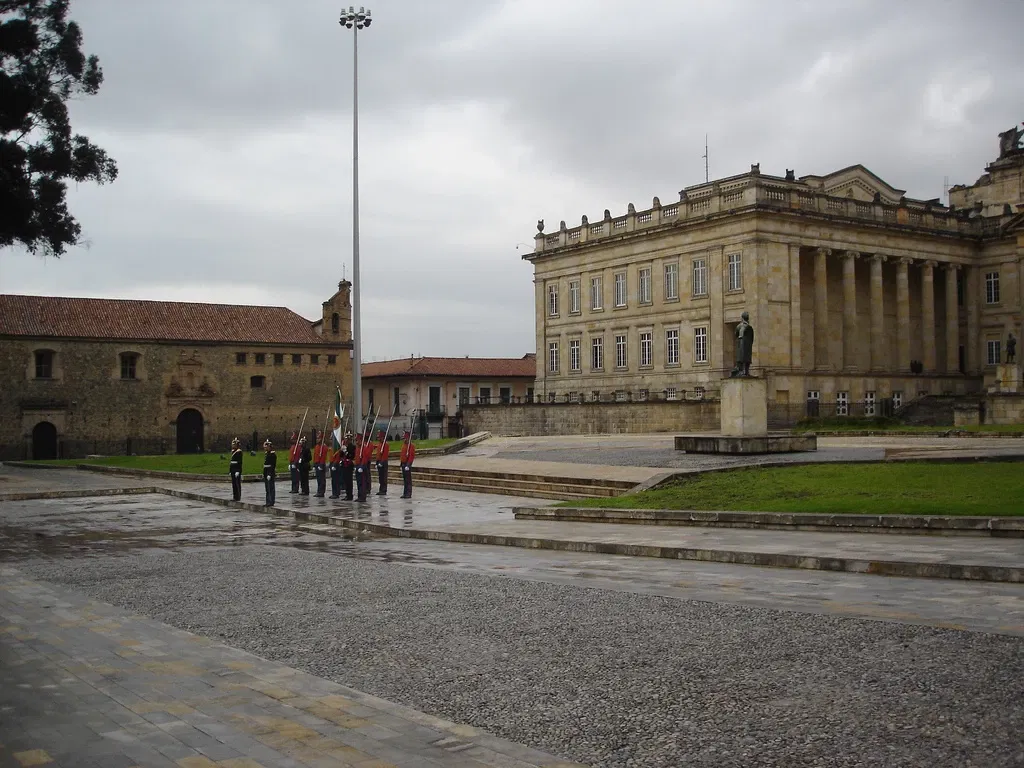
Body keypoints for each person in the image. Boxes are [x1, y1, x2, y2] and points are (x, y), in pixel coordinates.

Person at [400, 430, 416, 499]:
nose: (404, 440)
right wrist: (401, 464)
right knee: (405, 480)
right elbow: (402, 455)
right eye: (404, 438)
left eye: (405, 438)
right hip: (403, 463)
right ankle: (405, 493)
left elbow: (411, 456)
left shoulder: (411, 446)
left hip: (407, 464)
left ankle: (408, 493)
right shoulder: (404, 445)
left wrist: (408, 465)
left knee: (408, 480)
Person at [312, 433, 329, 497]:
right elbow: (315, 456)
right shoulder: (316, 446)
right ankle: (319, 491)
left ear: (322, 439)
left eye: (319, 438)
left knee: (322, 479)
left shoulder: (324, 447)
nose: (317, 439)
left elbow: (324, 457)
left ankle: (321, 492)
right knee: (318, 479)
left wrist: (321, 465)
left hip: (321, 464)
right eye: (317, 438)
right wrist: (314, 465)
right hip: (317, 464)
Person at [375, 429, 390, 496]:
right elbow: (378, 454)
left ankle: (383, 490)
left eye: (380, 437)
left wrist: (381, 462)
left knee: (383, 477)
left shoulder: (385, 445)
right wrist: (377, 462)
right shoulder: (380, 444)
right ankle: (381, 489)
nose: (379, 439)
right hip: (379, 461)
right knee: (380, 477)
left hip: (383, 462)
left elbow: (385, 455)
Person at [262, 439, 277, 507]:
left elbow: (272, 466)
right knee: (267, 489)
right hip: (266, 472)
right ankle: (268, 501)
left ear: (270, 447)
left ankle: (271, 501)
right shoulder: (267, 454)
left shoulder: (272, 455)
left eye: (266, 447)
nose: (265, 448)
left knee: (271, 488)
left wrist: (269, 474)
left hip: (269, 472)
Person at [341, 432, 356, 500]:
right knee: (345, 480)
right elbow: (341, 455)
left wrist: (346, 452)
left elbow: (351, 455)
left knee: (349, 481)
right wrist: (342, 450)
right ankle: (347, 494)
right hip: (344, 464)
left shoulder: (352, 446)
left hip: (349, 465)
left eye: (348, 439)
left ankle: (350, 495)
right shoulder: (344, 446)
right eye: (346, 439)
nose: (346, 440)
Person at [355, 433, 368, 502]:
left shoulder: (364, 447)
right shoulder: (357, 448)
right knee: (359, 483)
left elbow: (364, 458)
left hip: (362, 467)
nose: (356, 442)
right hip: (357, 466)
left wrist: (362, 466)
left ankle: (363, 497)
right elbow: (356, 457)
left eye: (357, 440)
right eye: (356, 440)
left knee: (362, 483)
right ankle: (359, 496)